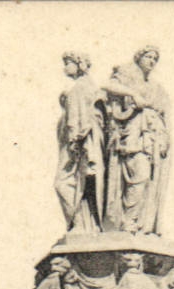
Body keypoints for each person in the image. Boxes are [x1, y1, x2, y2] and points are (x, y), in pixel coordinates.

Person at [101, 47, 170, 234]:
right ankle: (127, 221)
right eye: (148, 56)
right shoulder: (127, 74)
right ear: (139, 58)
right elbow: (108, 86)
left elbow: (163, 114)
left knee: (148, 180)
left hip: (151, 137)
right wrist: (132, 94)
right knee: (138, 175)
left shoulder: (156, 87)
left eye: (155, 58)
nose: (152, 61)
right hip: (132, 134)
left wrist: (163, 138)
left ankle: (140, 222)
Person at [54, 52, 103, 233]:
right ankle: (86, 224)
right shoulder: (89, 87)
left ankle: (77, 223)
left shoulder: (78, 89)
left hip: (77, 145)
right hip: (86, 143)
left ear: (79, 64)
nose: (65, 67)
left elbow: (75, 118)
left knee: (62, 183)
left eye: (68, 63)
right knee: (84, 184)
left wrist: (75, 140)